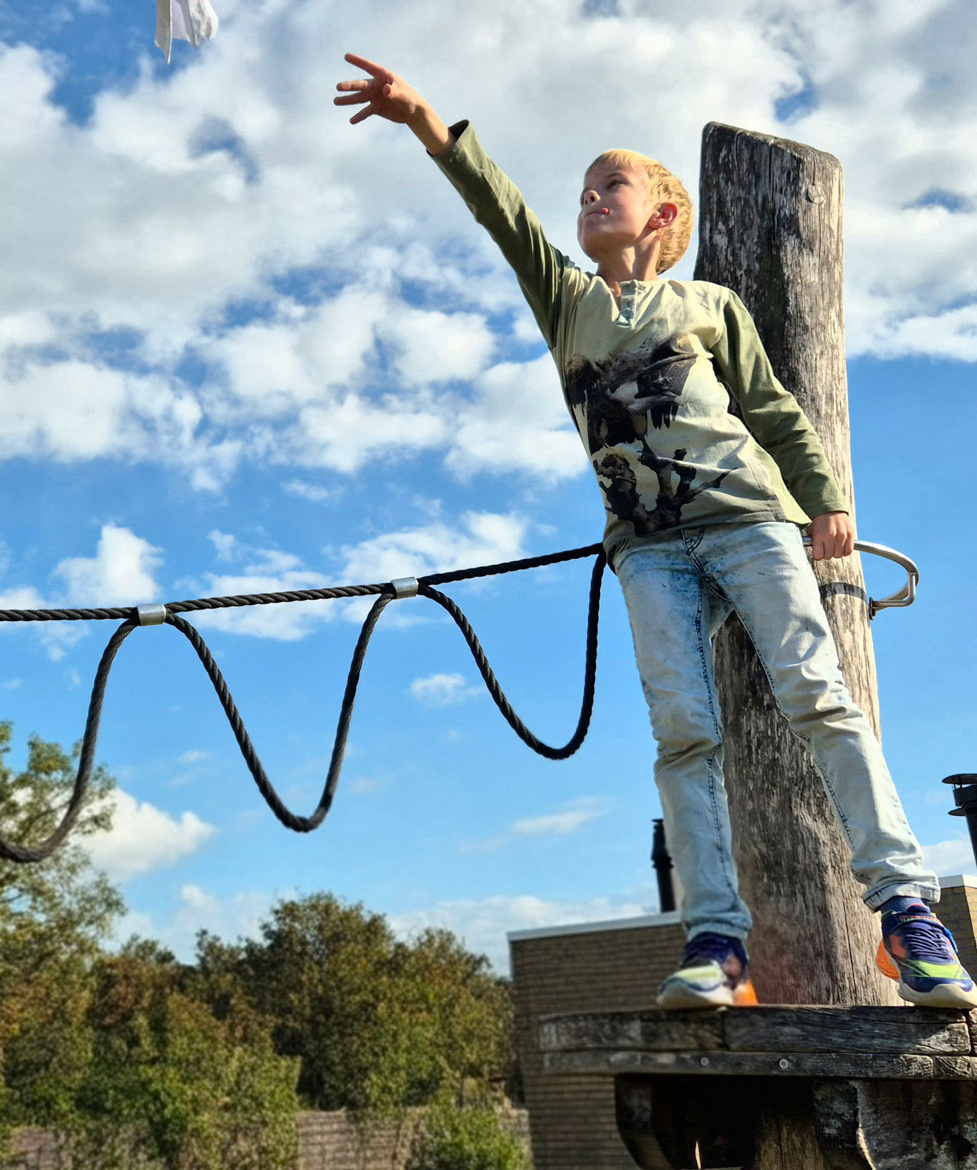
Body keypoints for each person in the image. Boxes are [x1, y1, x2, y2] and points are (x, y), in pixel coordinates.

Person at [334, 51, 975, 1010]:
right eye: (584, 190)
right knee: (683, 734)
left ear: (663, 215)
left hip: (749, 520)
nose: (589, 199)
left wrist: (826, 499)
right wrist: (426, 118)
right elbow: (500, 211)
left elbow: (773, 410)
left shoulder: (709, 307)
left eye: (610, 186)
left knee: (818, 696)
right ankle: (717, 941)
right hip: (647, 551)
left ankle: (908, 915)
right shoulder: (569, 301)